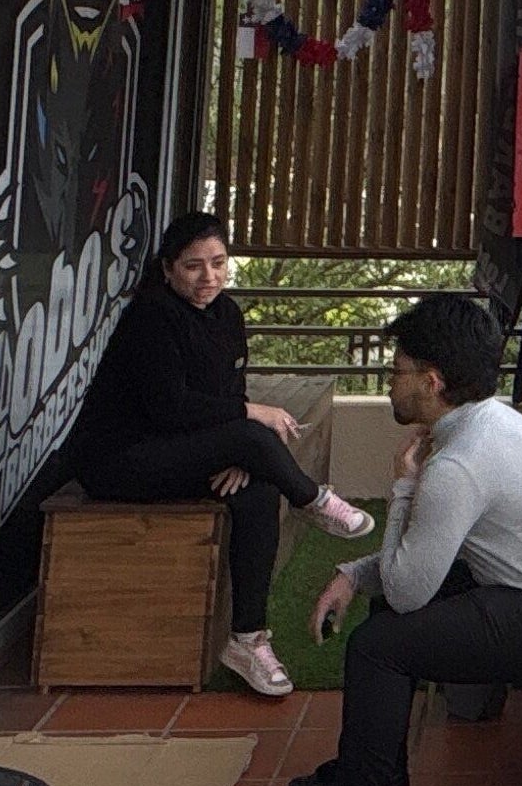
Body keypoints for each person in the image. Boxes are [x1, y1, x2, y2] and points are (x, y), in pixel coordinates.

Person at [247, 291, 522, 786]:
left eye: (397, 371)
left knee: (378, 646)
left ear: (433, 381)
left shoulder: (458, 463)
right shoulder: (482, 423)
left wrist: (401, 491)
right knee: (388, 607)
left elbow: (411, 589)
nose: (390, 382)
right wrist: (353, 574)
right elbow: (420, 563)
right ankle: (377, 781)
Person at [76, 211, 373, 696]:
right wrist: (247, 425)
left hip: (178, 451)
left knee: (255, 492)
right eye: (193, 266)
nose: (208, 277)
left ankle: (247, 639)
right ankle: (313, 501)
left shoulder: (227, 314)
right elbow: (170, 407)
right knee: (259, 433)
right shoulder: (151, 315)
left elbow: (223, 398)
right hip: (121, 460)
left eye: (218, 262)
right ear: (169, 268)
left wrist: (239, 453)